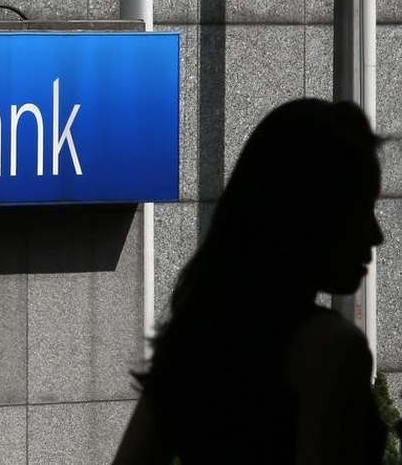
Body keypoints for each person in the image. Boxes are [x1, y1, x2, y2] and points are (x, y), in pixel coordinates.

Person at [113, 99, 389, 464]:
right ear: (309, 214)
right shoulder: (330, 351)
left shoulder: (197, 338)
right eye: (359, 208)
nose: (376, 234)